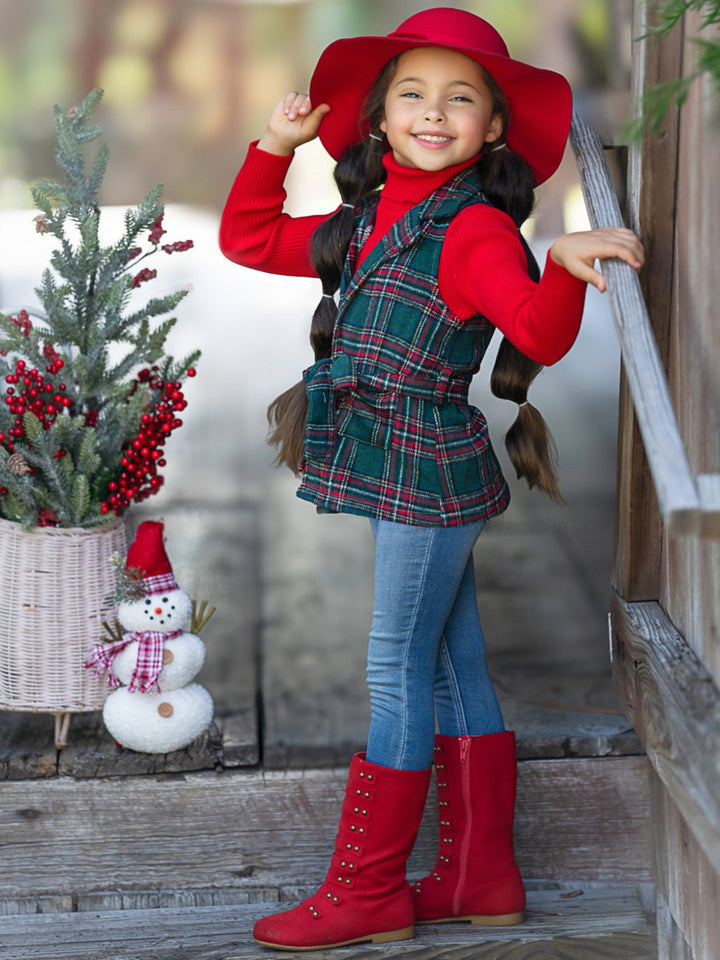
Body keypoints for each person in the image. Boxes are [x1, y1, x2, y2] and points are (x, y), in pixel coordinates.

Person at [219, 7, 644, 952]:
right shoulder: (365, 219)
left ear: (493, 129)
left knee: (394, 667)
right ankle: (478, 877)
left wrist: (566, 265)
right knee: (449, 661)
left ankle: (370, 890)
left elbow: (535, 331)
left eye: (461, 99)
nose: (433, 112)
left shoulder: (476, 232)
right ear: (377, 118)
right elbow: (248, 241)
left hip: (427, 468)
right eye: (411, 94)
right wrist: (273, 147)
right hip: (393, 459)